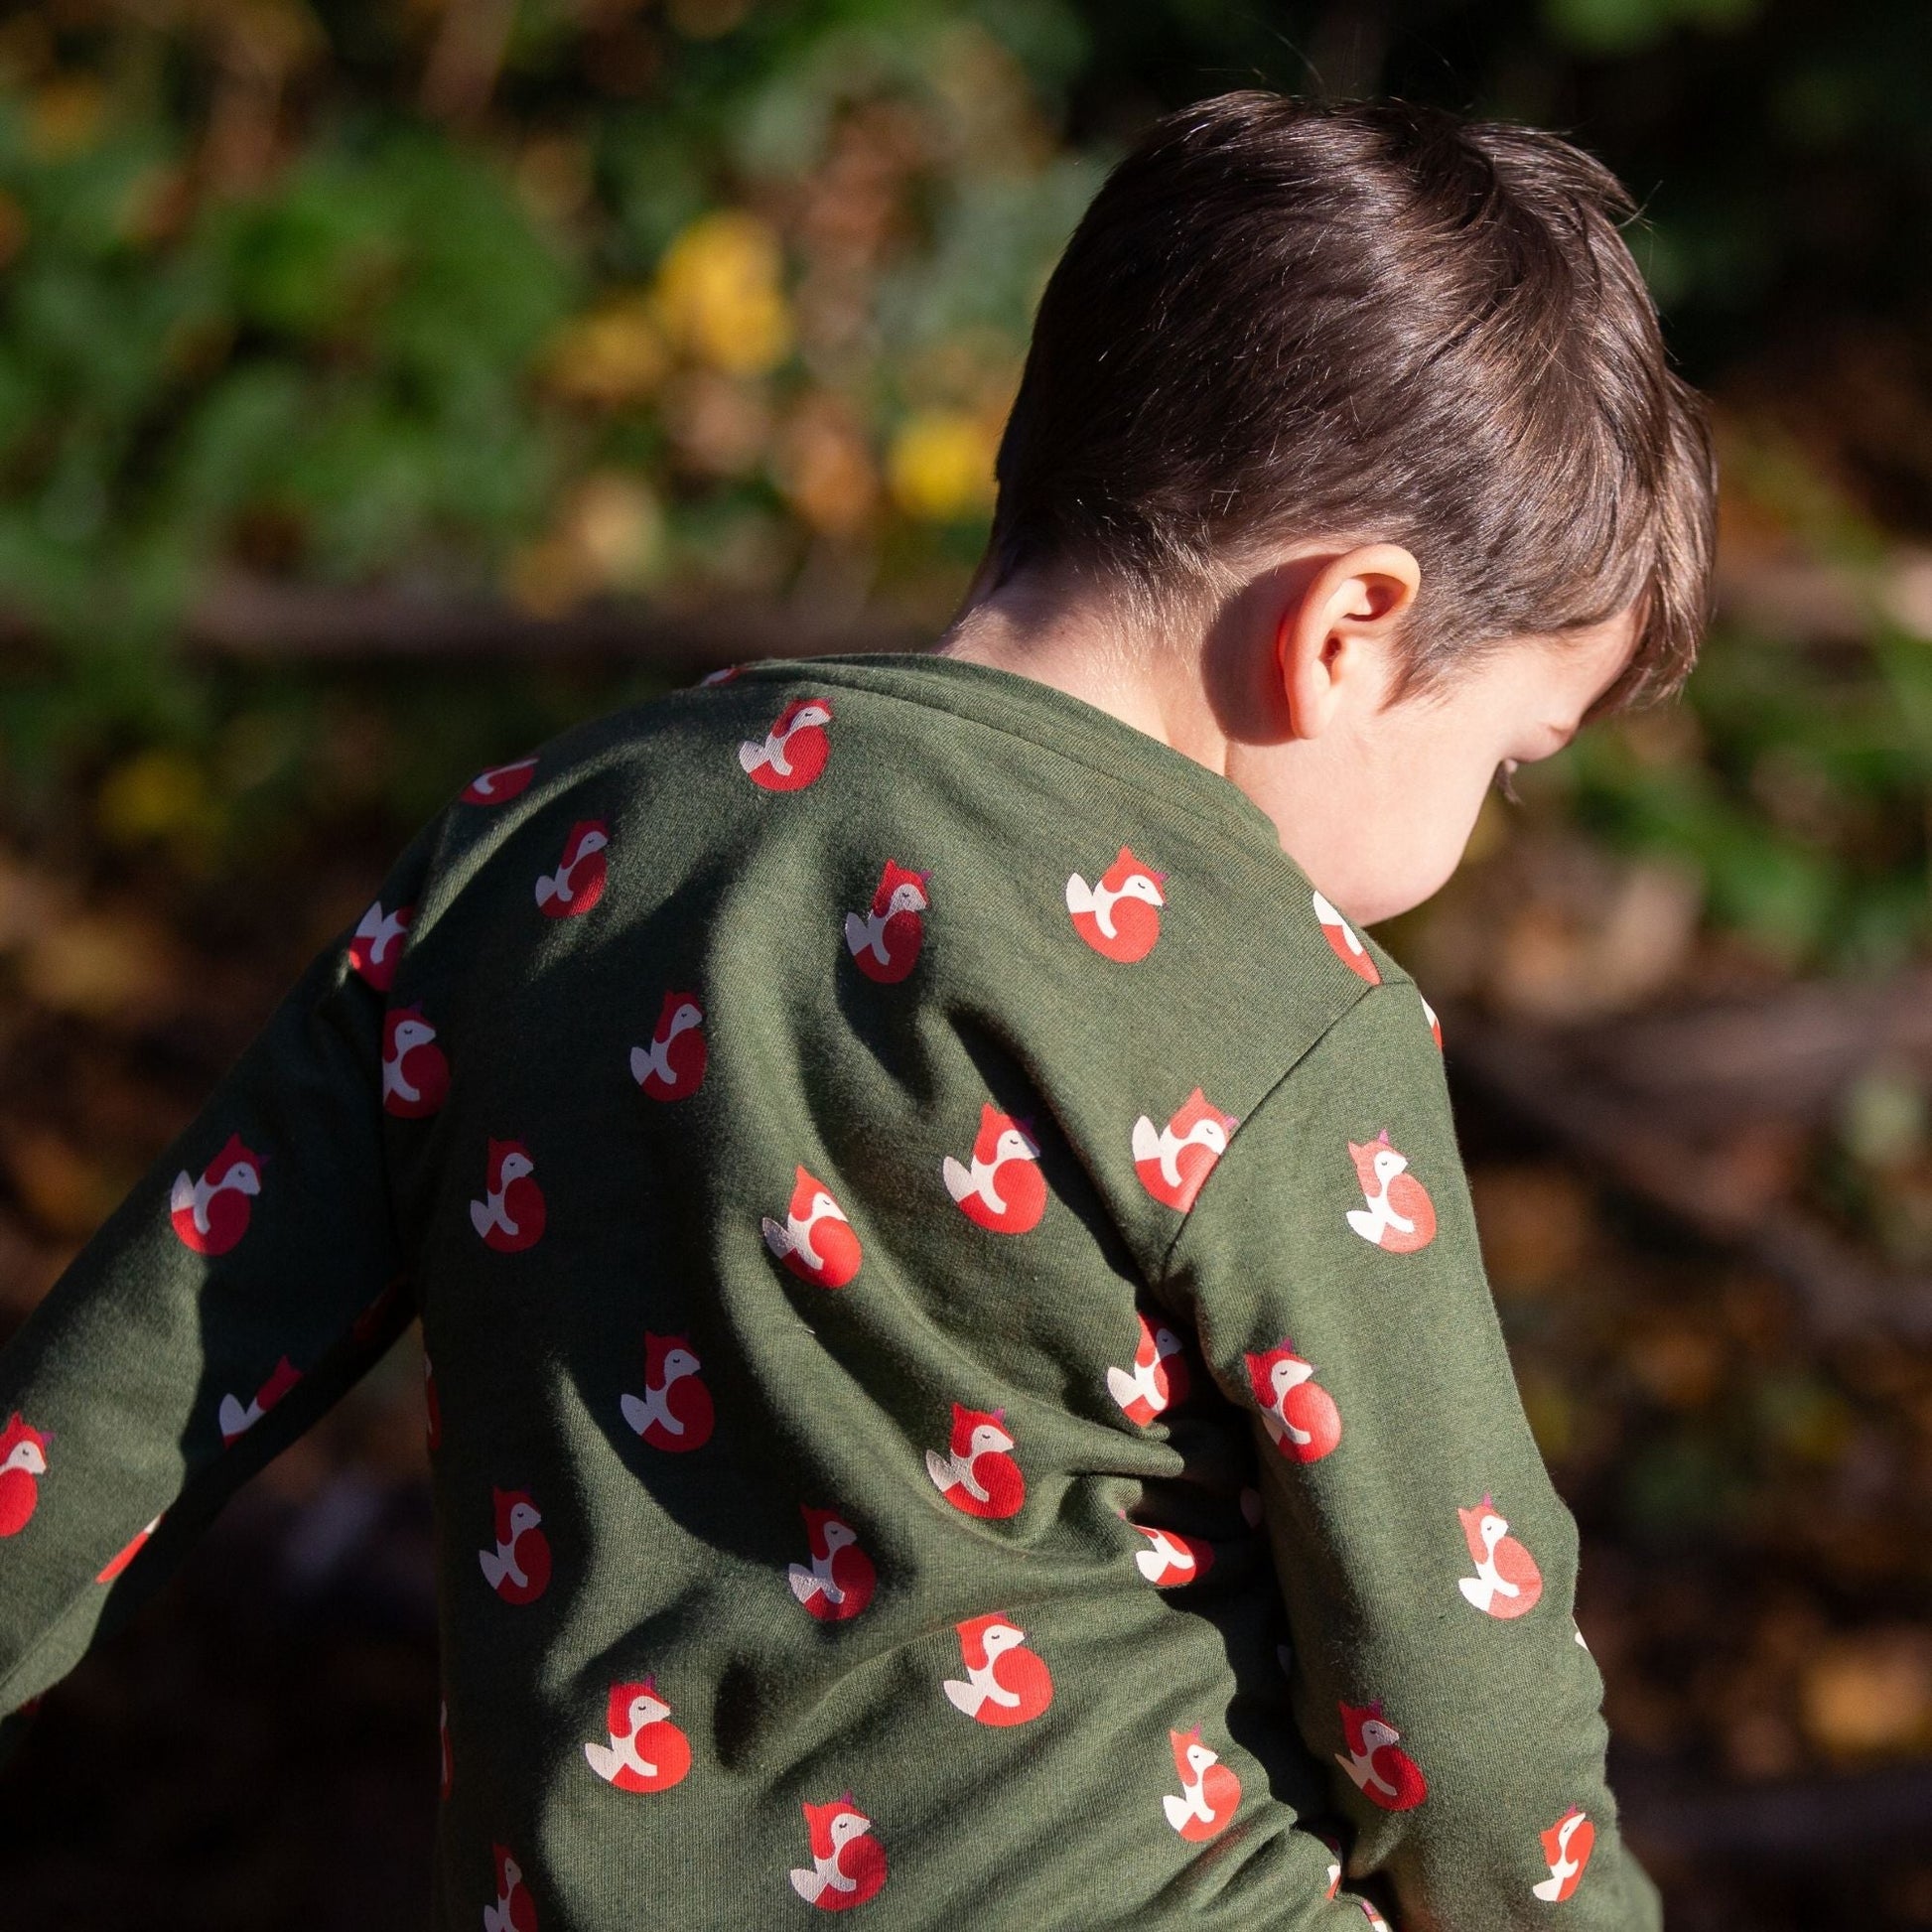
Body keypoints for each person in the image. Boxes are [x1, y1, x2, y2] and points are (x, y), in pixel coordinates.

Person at [0, 92, 1711, 1928]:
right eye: (1510, 758)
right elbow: (1463, 1701)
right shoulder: (1272, 1005)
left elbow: (122, 1398)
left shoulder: (544, 851)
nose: (1482, 821)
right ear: (1349, 629)